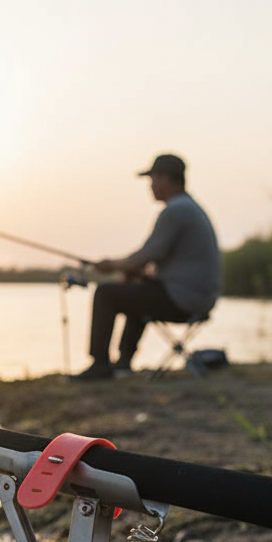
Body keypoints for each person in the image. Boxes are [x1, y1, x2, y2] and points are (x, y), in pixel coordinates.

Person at [73, 153, 221, 380]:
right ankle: (122, 364)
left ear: (167, 179)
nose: (150, 185)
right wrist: (129, 271)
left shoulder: (176, 211)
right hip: (198, 298)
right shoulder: (188, 208)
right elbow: (150, 262)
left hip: (184, 300)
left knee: (106, 293)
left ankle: (100, 364)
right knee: (137, 287)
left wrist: (110, 265)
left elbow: (145, 256)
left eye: (153, 178)